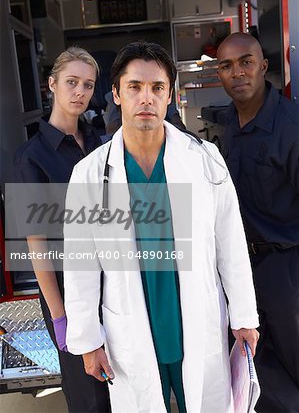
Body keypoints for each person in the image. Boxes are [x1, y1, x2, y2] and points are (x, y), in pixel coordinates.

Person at [63, 41, 259, 413]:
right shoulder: (89, 174)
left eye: (157, 88)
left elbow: (230, 243)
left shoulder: (205, 159)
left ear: (170, 94)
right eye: (135, 87)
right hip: (133, 328)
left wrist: (244, 316)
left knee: (206, 403)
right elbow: (81, 264)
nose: (146, 98)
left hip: (195, 321)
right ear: (117, 94)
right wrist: (88, 340)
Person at [14, 47, 111, 413]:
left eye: (87, 85)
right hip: (68, 294)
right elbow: (37, 246)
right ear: (52, 84)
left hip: (112, 286)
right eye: (71, 82)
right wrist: (59, 317)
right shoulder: (31, 157)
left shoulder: (99, 144)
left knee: (125, 391)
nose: (80, 92)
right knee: (91, 400)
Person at [217, 32, 299, 412]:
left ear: (263, 66)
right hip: (243, 273)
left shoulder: (291, 126)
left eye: (246, 62)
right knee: (257, 373)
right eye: (227, 66)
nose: (238, 72)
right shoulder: (227, 128)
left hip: (288, 272)